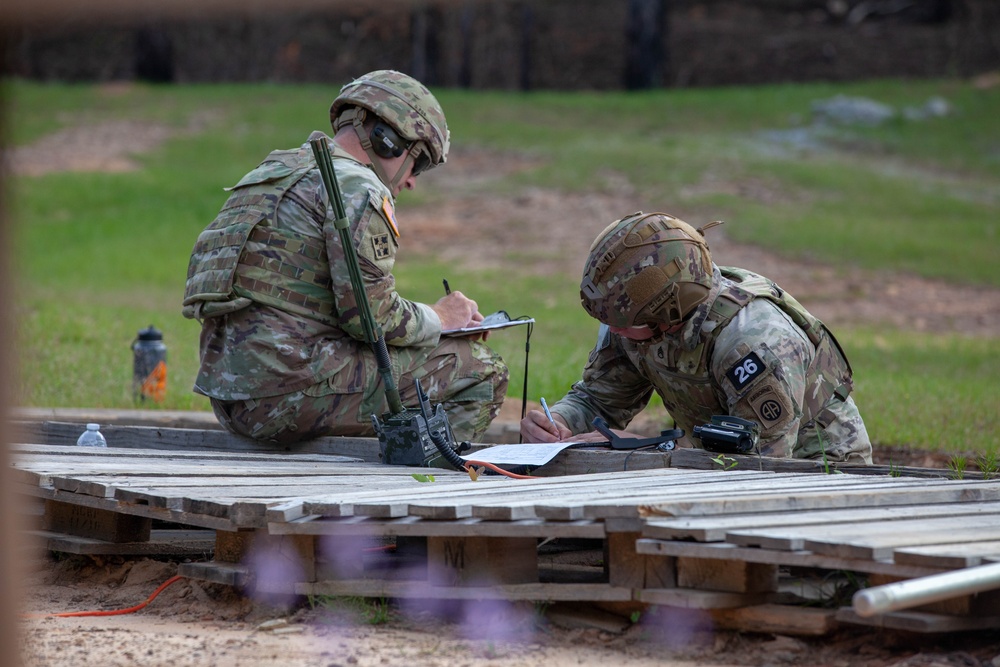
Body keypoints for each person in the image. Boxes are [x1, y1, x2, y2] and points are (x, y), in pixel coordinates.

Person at [183, 70, 509, 445]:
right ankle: (419, 489)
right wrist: (442, 318)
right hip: (288, 398)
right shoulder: (357, 187)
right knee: (482, 369)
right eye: (417, 163)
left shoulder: (272, 174)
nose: (412, 181)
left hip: (230, 399)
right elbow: (372, 319)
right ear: (387, 140)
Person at [521, 211, 872, 464]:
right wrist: (559, 423)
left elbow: (758, 463)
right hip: (711, 465)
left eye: (623, 322)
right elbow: (600, 400)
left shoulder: (751, 345)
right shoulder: (634, 320)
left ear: (669, 313)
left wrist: (651, 449)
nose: (614, 331)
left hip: (821, 473)